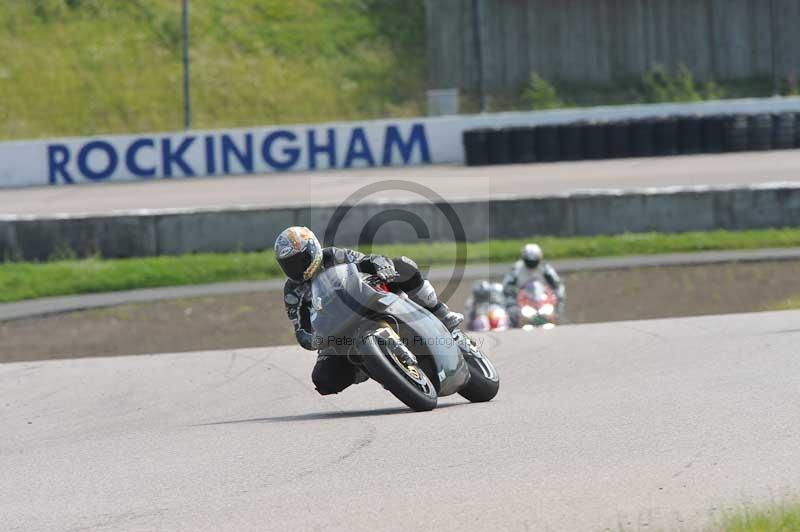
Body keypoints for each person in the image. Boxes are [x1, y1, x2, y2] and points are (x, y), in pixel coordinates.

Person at [275, 226, 464, 396]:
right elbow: (301, 329)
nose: (296, 268)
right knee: (324, 380)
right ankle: (368, 368)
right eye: (288, 264)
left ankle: (440, 313)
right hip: (337, 333)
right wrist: (315, 339)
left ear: (313, 249)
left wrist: (379, 264)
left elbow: (365, 260)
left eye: (300, 260)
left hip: (366, 302)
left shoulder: (333, 256)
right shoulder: (293, 291)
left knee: (403, 266)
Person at [502, 243, 565, 323]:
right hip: (522, 301)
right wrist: (515, 293)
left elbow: (557, 284)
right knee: (511, 308)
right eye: (529, 261)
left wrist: (555, 296)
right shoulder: (517, 269)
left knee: (555, 309)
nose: (532, 263)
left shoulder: (545, 268)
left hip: (541, 300)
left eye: (534, 261)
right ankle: (514, 323)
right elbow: (506, 286)